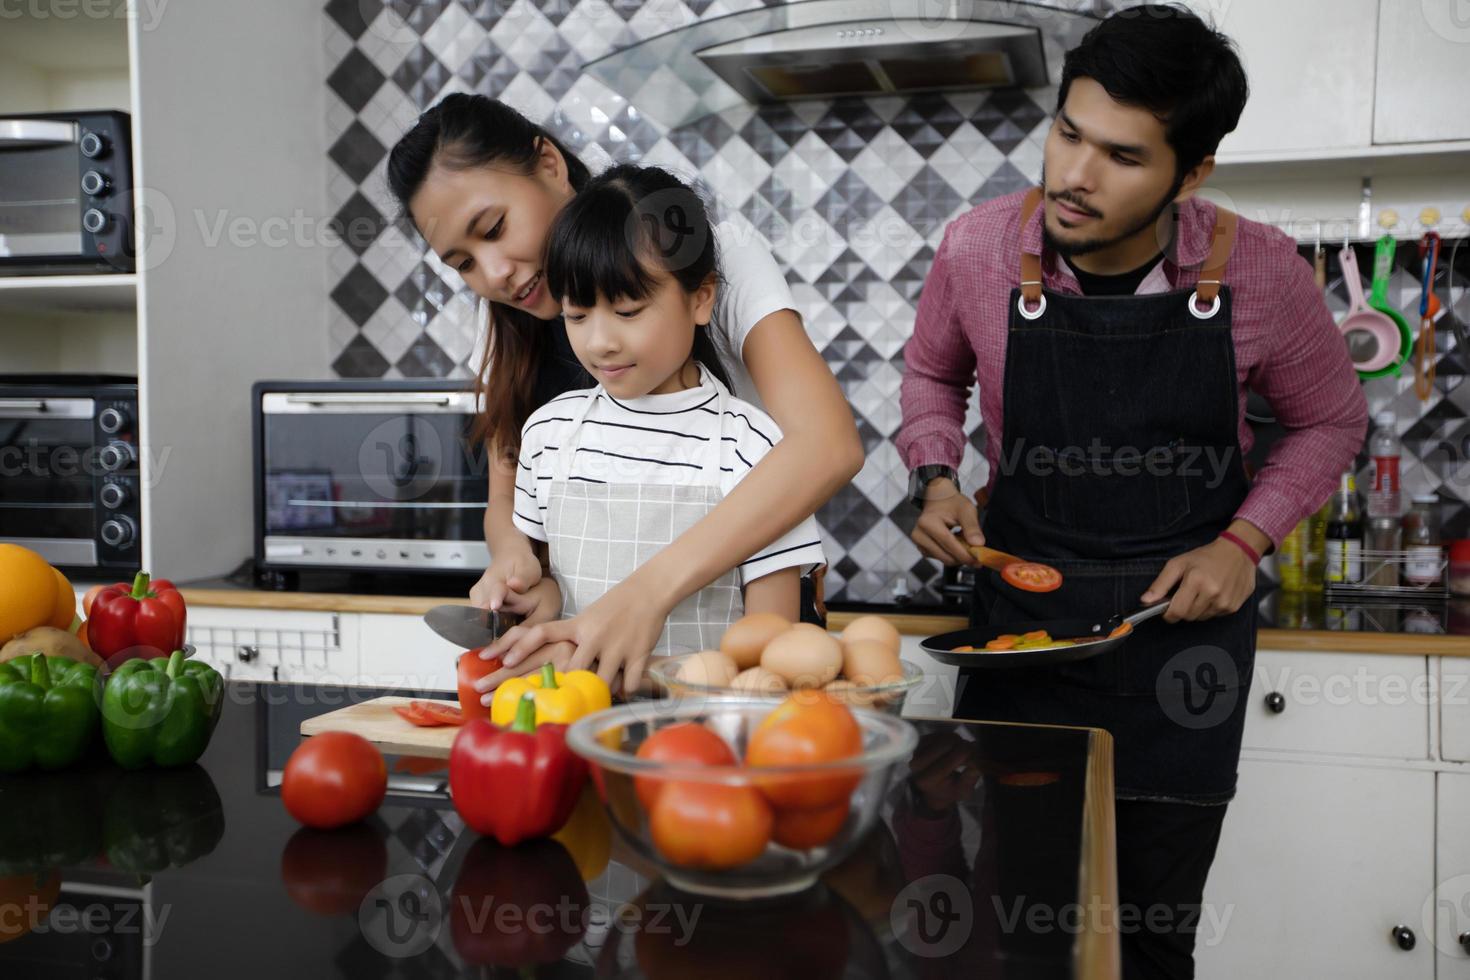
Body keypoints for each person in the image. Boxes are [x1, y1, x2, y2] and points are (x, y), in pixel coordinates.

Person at [895, 5, 1368, 978]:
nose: (1074, 175)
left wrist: (1244, 543)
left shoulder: (1263, 272)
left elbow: (1331, 420)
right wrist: (935, 472)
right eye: (1068, 133)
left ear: (1190, 172)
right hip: (1022, 618)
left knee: (1150, 935)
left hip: (1180, 644)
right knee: (1018, 923)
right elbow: (931, 376)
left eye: (1122, 155)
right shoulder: (979, 248)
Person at [387, 95, 860, 692]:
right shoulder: (521, 319)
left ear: (550, 164)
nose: (494, 273)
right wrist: (520, 567)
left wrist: (645, 593)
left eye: (494, 229)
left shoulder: (707, 250)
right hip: (597, 669)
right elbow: (507, 505)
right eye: (463, 263)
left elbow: (828, 445)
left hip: (729, 644)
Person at [494, 164, 826, 667]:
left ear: (700, 298)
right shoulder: (548, 434)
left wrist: (647, 673)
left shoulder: (753, 445)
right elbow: (557, 593)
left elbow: (769, 650)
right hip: (575, 720)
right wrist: (526, 606)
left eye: (628, 311)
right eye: (577, 315)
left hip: (705, 731)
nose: (601, 342)